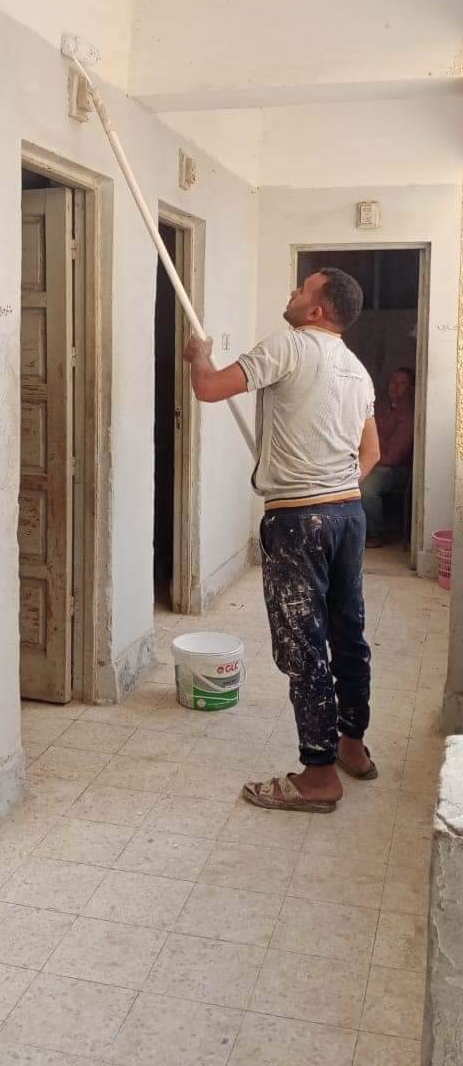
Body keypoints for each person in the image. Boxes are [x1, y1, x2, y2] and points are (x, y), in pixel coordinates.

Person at [183, 268, 380, 813]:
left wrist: (199, 355)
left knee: (304, 644)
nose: (291, 293)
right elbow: (371, 454)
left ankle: (318, 776)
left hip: (299, 521)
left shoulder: (288, 346)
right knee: (348, 631)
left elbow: (208, 388)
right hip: (347, 514)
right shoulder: (357, 370)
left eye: (301, 289)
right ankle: (352, 745)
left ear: (317, 310)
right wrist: (334, 486)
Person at [361, 368, 415, 547]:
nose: (395, 386)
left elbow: (393, 456)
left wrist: (366, 458)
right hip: (375, 461)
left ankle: (376, 533)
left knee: (366, 488)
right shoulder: (382, 407)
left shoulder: (410, 415)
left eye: (402, 383)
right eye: (393, 381)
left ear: (411, 389)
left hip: (396, 470)